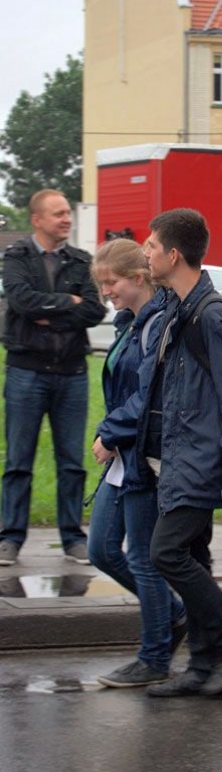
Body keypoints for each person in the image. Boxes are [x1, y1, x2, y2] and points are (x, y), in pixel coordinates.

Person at [140, 208, 222, 698]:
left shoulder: (212, 315)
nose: (145, 253)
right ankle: (202, 666)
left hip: (203, 456)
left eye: (151, 246)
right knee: (193, 554)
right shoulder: (179, 307)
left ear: (173, 254)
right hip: (181, 452)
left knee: (165, 551)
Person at [87, 238, 187, 688]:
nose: (106, 291)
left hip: (143, 454)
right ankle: (177, 613)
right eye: (102, 284)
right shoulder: (131, 320)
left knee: (143, 562)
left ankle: (154, 658)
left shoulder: (159, 323)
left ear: (139, 278)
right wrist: (109, 431)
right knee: (102, 551)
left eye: (112, 282)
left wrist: (111, 432)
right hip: (123, 453)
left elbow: (149, 393)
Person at [0, 190, 106, 566]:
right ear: (37, 219)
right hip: (26, 371)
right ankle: (9, 539)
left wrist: (55, 309)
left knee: (71, 462)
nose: (66, 218)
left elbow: (95, 309)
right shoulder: (15, 258)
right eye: (58, 213)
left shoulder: (81, 261)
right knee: (18, 461)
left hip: (71, 373)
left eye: (67, 213)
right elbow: (22, 302)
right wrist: (69, 303)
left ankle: (73, 538)